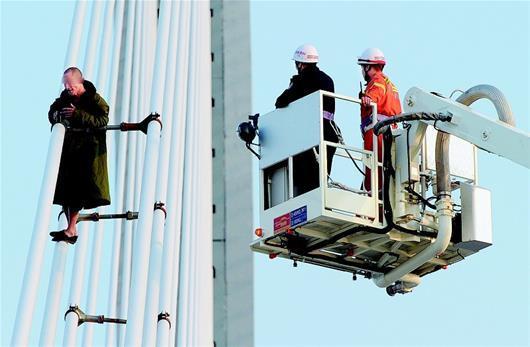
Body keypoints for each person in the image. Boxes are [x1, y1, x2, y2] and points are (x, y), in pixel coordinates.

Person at [48, 67, 111, 244]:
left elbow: (102, 120)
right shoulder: (65, 98)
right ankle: (70, 229)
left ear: (80, 82)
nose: (67, 87)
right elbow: (52, 112)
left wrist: (78, 115)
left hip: (87, 153)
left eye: (70, 84)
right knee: (66, 191)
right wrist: (57, 116)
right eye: (65, 84)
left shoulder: (95, 99)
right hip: (70, 151)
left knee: (76, 191)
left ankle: (71, 229)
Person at [275, 44, 340, 195]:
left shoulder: (301, 80)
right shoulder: (327, 79)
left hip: (309, 135)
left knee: (304, 183)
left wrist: (292, 84)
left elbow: (280, 102)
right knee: (321, 178)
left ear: (300, 63)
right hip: (329, 133)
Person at [357, 48, 402, 192]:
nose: (362, 71)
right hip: (391, 133)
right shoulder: (391, 85)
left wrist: (365, 98)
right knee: (386, 172)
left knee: (373, 173)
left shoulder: (377, 82)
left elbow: (372, 98)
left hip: (377, 134)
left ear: (368, 66)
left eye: (363, 67)